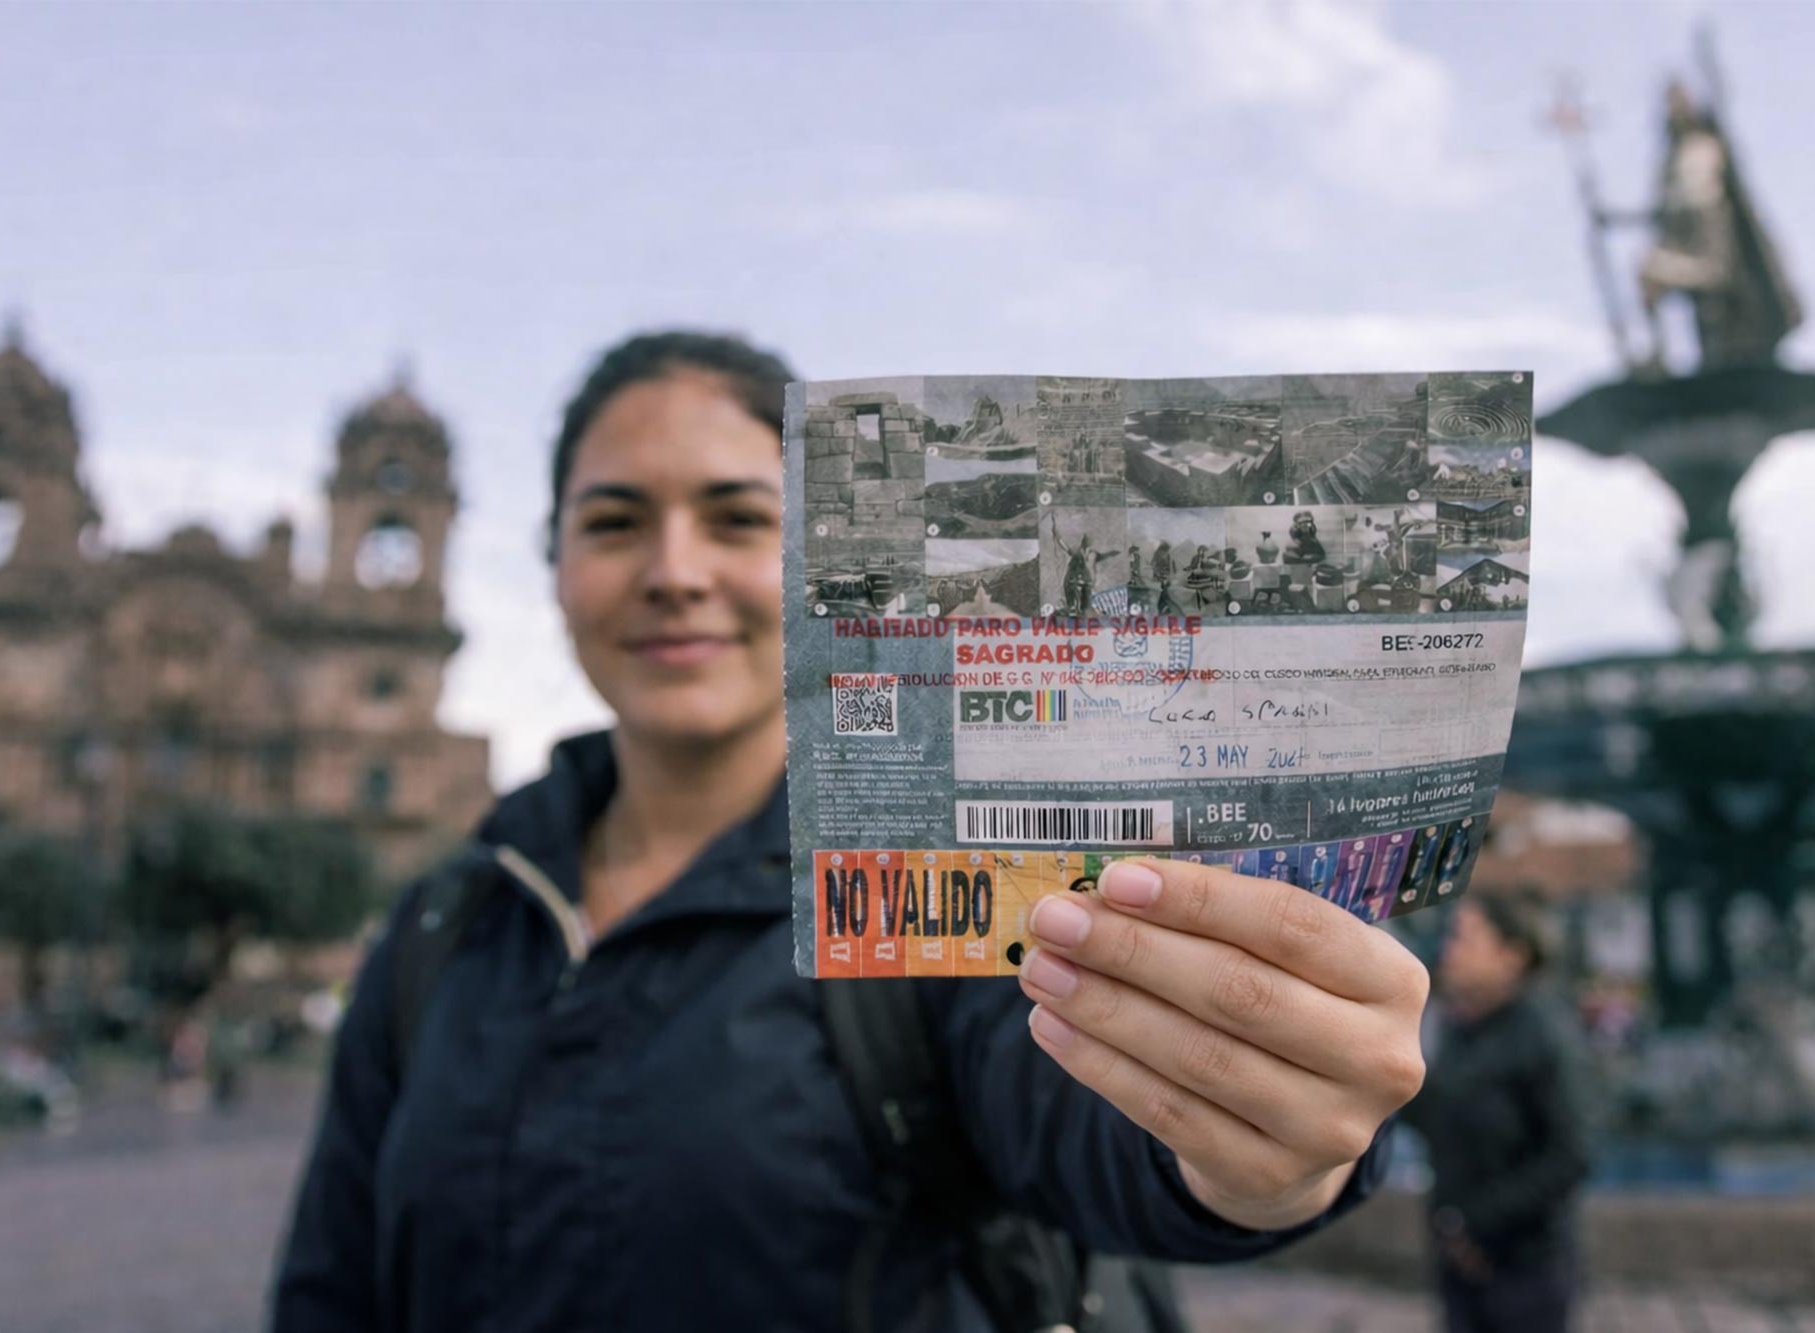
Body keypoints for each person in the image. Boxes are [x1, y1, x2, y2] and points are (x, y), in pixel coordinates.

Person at [271, 330, 1431, 1332]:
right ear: (555, 568)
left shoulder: (958, 873)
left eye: (737, 518)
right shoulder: (447, 921)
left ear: (829, 565)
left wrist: (1268, 1151)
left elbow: (1092, 1130)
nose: (675, 573)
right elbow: (334, 1288)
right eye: (617, 523)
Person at [1404, 895, 1590, 1333]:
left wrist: (1476, 1220)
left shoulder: (1544, 1037)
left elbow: (1570, 1155)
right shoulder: (1455, 1028)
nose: (1449, 951)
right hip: (1458, 1259)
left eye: (1465, 938)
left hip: (1524, 1264)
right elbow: (1437, 1122)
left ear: (1513, 955)